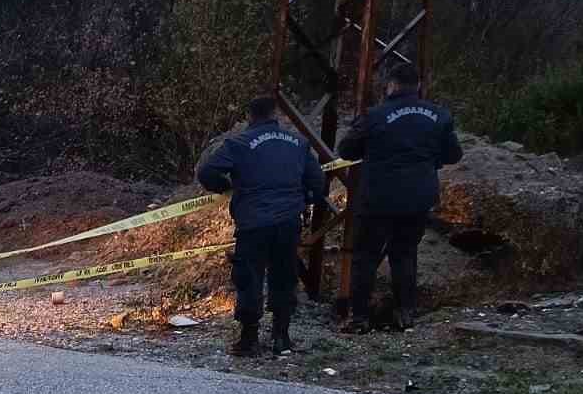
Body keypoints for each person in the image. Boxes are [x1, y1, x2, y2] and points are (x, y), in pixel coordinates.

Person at [198, 95, 329, 357]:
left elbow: (206, 172)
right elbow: (318, 182)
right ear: (275, 114)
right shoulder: (299, 143)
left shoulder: (239, 143)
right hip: (287, 223)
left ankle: (249, 340)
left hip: (253, 222)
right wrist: (305, 198)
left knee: (249, 278)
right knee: (284, 276)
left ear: (250, 116)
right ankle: (281, 337)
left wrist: (226, 187)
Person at [338, 61, 463, 332]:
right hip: (418, 197)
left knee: (366, 257)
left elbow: (346, 150)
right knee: (405, 254)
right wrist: (429, 158)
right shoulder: (439, 116)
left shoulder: (374, 115)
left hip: (378, 198)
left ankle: (359, 317)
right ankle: (405, 313)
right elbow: (454, 154)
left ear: (391, 85)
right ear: (418, 85)